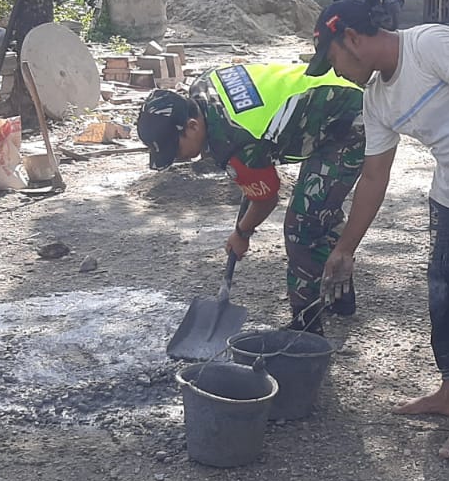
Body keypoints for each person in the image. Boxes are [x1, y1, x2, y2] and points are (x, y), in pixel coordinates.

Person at [307, 0, 449, 463]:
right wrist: (346, 248)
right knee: (445, 297)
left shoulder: (430, 45)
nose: (337, 73)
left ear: (351, 38)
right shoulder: (376, 99)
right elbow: (375, 176)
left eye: (333, 61)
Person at [136, 63, 364, 334]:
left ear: (192, 126)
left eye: (175, 150)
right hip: (333, 94)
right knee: (319, 205)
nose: (177, 158)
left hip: (349, 122)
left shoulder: (234, 141)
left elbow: (266, 198)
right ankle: (339, 296)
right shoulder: (204, 87)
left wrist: (242, 233)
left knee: (302, 225)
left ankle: (306, 328)